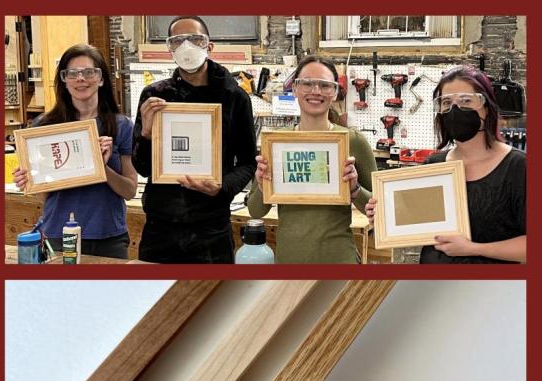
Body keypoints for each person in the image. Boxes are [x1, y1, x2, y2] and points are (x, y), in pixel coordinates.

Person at [365, 65, 526, 263]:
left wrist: (473, 249)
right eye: (446, 102)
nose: (455, 109)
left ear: (487, 106)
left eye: (466, 100)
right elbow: (414, 222)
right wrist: (383, 216)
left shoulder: (518, 167)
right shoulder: (435, 166)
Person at [132, 16, 257, 263]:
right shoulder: (155, 96)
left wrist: (222, 186)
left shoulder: (235, 97)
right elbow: (143, 167)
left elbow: (247, 163)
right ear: (170, 49)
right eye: (177, 41)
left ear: (209, 46)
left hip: (211, 228)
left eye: (195, 39)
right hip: (161, 227)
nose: (186, 46)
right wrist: (146, 135)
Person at [247, 56, 376, 263]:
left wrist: (354, 190)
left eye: (325, 85)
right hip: (289, 261)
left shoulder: (354, 141)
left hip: (338, 260)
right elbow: (255, 210)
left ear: (334, 92)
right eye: (306, 83)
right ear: (295, 89)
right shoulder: (278, 144)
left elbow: (379, 210)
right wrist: (262, 185)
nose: (315, 91)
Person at [12, 44, 136, 259]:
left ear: (101, 79)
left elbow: (130, 191)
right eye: (72, 73)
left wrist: (102, 167)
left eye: (89, 72)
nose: (81, 79)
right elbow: (45, 197)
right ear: (64, 80)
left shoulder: (121, 126)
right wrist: (30, 180)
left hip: (109, 238)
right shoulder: (44, 127)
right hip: (58, 234)